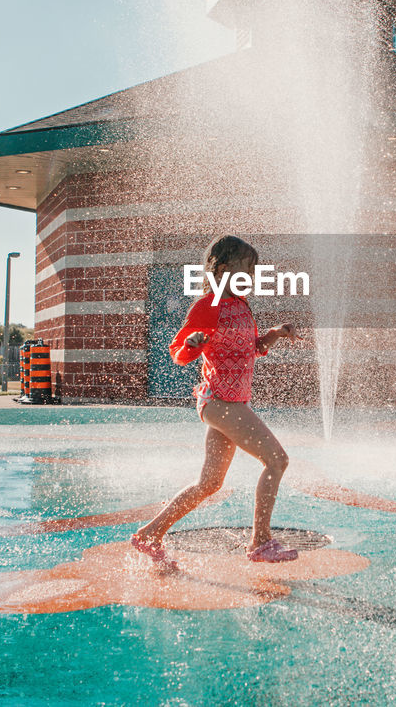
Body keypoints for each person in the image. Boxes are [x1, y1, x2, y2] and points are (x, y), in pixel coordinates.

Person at [130, 235, 300, 567]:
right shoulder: (209, 305)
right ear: (221, 269)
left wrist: (275, 334)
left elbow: (252, 347)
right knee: (277, 460)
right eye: (245, 270)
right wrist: (192, 343)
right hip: (220, 402)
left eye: (254, 272)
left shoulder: (241, 306)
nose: (251, 278)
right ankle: (261, 543)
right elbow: (179, 353)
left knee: (209, 483)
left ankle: (150, 534)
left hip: (230, 402)